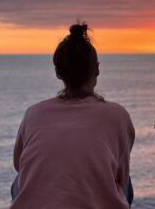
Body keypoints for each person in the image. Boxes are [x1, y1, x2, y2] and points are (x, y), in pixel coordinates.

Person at [10, 23, 135, 209]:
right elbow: (121, 174)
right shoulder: (117, 115)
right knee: (126, 185)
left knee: (18, 181)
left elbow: (19, 164)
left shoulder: (33, 113)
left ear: (58, 72)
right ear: (97, 69)